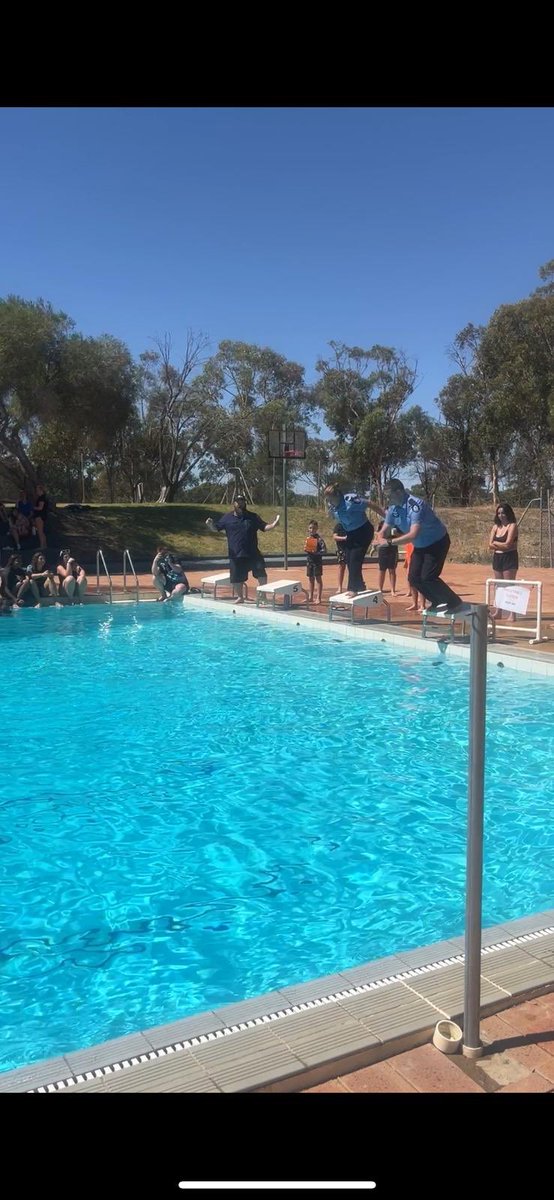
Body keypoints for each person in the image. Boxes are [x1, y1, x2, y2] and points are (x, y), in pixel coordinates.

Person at [376, 480, 470, 615]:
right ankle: (436, 601)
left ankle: (455, 602)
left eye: (389, 495)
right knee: (413, 578)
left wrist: (389, 542)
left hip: (437, 543)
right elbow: (382, 531)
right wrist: (380, 537)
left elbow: (413, 534)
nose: (388, 499)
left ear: (399, 492)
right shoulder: (393, 509)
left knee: (428, 577)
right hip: (420, 546)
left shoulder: (415, 505)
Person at [205, 495, 280, 603]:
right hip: (236, 553)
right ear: (234, 503)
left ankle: (262, 596)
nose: (240, 504)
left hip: (253, 552)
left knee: (261, 573)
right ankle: (240, 597)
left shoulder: (252, 517)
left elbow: (263, 526)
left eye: (242, 501)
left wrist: (273, 525)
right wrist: (210, 525)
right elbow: (216, 529)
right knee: (236, 578)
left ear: (245, 503)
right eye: (238, 502)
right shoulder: (227, 518)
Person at [324, 485, 378, 596]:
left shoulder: (350, 501)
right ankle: (360, 585)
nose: (329, 502)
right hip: (351, 533)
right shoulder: (333, 507)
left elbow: (369, 503)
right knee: (348, 559)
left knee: (354, 559)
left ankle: (353, 588)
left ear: (338, 496)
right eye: (327, 499)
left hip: (364, 531)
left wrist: (387, 517)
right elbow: (337, 517)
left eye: (330, 499)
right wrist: (330, 514)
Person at [489, 502, 519, 622]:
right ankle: (498, 611)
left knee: (509, 585)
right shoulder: (495, 527)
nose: (501, 515)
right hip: (497, 558)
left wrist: (496, 544)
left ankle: (512, 613)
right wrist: (498, 545)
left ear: (508, 513)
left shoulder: (512, 526)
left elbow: (508, 544)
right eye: (499, 513)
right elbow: (490, 545)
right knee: (499, 586)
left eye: (503, 513)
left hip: (509, 558)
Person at [304, 519, 326, 605]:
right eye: (310, 528)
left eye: (313, 528)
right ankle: (310, 597)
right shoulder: (308, 538)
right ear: (308, 529)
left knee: (318, 578)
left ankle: (318, 598)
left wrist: (317, 552)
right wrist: (306, 549)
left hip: (317, 561)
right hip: (309, 561)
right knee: (310, 578)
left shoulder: (319, 539)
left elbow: (325, 550)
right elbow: (307, 549)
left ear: (316, 529)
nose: (312, 530)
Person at [376, 519, 398, 595]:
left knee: (392, 570)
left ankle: (393, 590)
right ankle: (380, 589)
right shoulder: (381, 523)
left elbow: (395, 536)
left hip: (392, 548)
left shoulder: (395, 524)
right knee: (382, 569)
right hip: (383, 549)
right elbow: (378, 536)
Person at [332, 520, 348, 593]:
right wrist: (344, 538)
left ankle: (351, 587)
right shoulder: (338, 526)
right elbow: (335, 537)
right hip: (341, 550)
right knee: (341, 568)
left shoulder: (351, 525)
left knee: (352, 568)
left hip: (350, 549)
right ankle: (340, 587)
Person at [32, 484, 49, 549]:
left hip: (40, 516)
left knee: (40, 532)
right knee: (42, 531)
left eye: (37, 490)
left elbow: (40, 508)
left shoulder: (42, 498)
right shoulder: (43, 497)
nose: (36, 491)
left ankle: (42, 546)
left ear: (41, 490)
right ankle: (45, 545)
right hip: (42, 516)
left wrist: (33, 507)